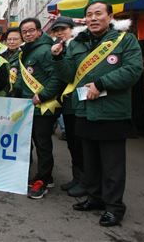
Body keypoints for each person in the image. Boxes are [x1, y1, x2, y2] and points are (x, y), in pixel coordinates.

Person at [52, 2, 142, 227]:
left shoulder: (124, 40)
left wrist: (102, 83)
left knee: (112, 164)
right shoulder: (77, 43)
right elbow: (68, 75)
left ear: (109, 16)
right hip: (84, 110)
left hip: (112, 112)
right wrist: (59, 58)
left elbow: (132, 70)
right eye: (89, 15)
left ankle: (114, 207)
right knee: (90, 161)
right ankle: (95, 198)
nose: (93, 18)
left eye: (98, 14)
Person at [14, 17, 63, 199]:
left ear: (39, 31)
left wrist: (42, 96)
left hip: (43, 107)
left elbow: (56, 77)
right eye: (24, 32)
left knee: (42, 145)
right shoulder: (28, 51)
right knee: (34, 142)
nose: (27, 34)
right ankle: (43, 176)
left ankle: (43, 180)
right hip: (29, 108)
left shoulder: (44, 51)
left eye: (31, 30)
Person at [49, 16, 85, 197]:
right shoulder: (57, 48)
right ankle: (77, 178)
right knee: (72, 143)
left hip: (82, 102)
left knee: (81, 144)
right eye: (56, 30)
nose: (60, 33)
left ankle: (85, 181)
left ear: (72, 29)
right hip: (67, 103)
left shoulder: (79, 45)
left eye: (63, 29)